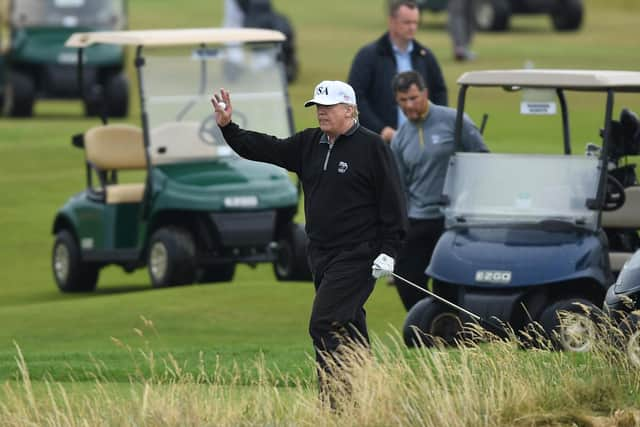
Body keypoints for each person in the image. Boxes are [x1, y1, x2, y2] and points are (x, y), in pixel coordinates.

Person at [211, 81, 407, 403]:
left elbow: (394, 204)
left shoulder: (372, 148)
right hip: (321, 253)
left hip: (359, 254)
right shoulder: (309, 143)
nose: (321, 112)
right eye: (318, 106)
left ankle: (335, 402)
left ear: (349, 110)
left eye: (327, 107)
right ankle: (372, 396)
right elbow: (267, 148)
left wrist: (389, 251)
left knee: (325, 322)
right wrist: (229, 128)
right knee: (349, 324)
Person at [390, 70, 488, 311]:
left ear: (425, 93)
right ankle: (426, 328)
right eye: (403, 101)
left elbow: (483, 159)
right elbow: (399, 187)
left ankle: (452, 329)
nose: (409, 105)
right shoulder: (400, 138)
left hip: (451, 220)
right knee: (406, 277)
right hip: (418, 219)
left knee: (450, 284)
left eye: (413, 98)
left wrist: (468, 195)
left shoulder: (455, 121)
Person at [347, 0, 448, 144]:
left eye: (415, 23)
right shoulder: (368, 56)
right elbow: (355, 97)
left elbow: (440, 93)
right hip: (379, 143)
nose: (412, 27)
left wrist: (434, 126)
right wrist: (380, 130)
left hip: (420, 141)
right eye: (407, 22)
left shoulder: (425, 56)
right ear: (391, 21)